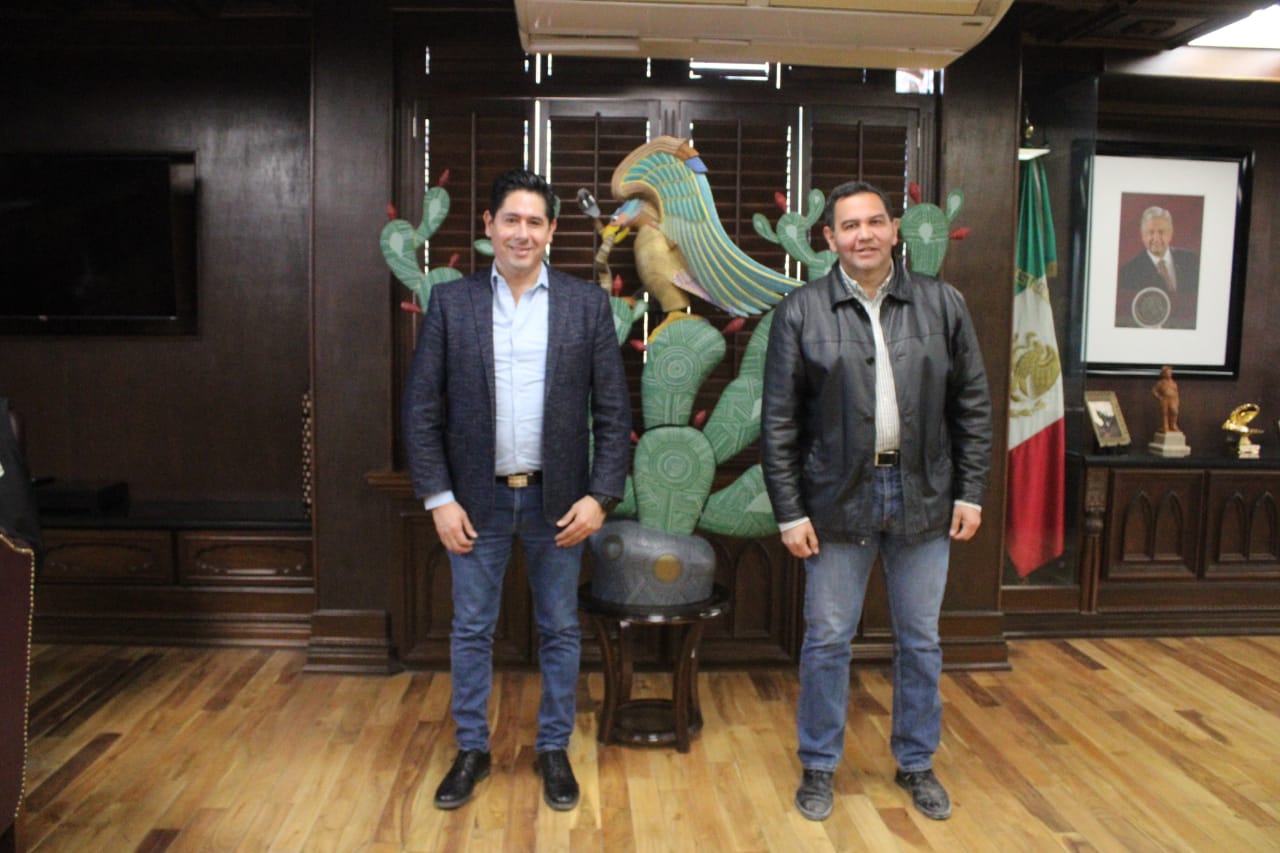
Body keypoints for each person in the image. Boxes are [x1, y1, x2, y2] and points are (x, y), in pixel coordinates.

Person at [761, 180, 992, 823]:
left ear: (895, 230)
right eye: (849, 225)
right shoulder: (802, 311)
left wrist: (971, 491)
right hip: (836, 499)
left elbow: (972, 406)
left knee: (920, 640)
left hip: (924, 493)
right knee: (828, 639)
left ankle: (916, 762)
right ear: (829, 238)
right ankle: (819, 764)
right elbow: (779, 423)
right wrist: (790, 511)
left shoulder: (942, 303)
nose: (863, 234)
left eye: (875, 222)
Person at [402, 169, 631, 812]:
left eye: (535, 221)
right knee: (472, 628)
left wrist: (601, 496)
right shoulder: (453, 304)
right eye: (511, 220)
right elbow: (421, 410)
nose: (522, 233)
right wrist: (439, 499)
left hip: (561, 503)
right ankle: (471, 750)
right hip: (476, 502)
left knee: (559, 628)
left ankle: (552, 748)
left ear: (551, 230)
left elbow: (614, 413)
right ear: (489, 226)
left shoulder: (586, 306)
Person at [1115, 206, 1200, 329]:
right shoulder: (1128, 272)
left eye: (1161, 232)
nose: (1156, 238)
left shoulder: (1192, 260)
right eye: (1150, 232)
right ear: (1142, 235)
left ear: (1170, 233)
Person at [1152, 365, 1180, 433]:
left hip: (1173, 399)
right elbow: (1154, 391)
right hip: (1164, 399)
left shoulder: (1173, 383)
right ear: (1164, 374)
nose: (1169, 374)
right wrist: (1159, 397)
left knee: (1174, 411)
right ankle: (1165, 426)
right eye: (1167, 373)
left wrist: (1177, 400)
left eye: (1170, 372)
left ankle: (1173, 425)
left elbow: (1176, 392)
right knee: (1165, 413)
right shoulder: (1160, 383)